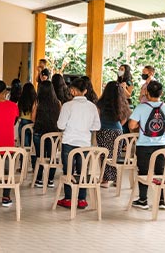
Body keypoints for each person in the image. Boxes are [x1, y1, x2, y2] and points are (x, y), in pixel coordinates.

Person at [129, 81, 165, 210]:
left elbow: (132, 125)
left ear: (147, 93)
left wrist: (142, 126)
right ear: (161, 93)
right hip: (161, 145)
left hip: (143, 145)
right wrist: (159, 130)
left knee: (143, 172)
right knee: (160, 172)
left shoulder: (141, 107)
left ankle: (143, 200)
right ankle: (161, 200)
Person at [56, 78, 101, 209]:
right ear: (86, 91)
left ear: (72, 90)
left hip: (69, 142)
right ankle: (82, 199)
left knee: (68, 170)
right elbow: (96, 127)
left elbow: (60, 125)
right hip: (84, 143)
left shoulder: (67, 106)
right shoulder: (92, 107)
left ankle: (69, 198)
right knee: (83, 171)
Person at [96, 81, 131, 187]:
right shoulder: (123, 102)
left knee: (104, 155)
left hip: (103, 130)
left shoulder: (100, 103)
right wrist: (118, 125)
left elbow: (97, 117)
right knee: (116, 155)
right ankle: (116, 179)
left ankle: (105, 179)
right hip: (118, 131)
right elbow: (124, 119)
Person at [31, 80, 60, 188]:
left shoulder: (37, 102)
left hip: (39, 133)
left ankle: (39, 179)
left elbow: (33, 119)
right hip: (53, 135)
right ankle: (50, 180)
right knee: (52, 157)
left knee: (40, 157)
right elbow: (59, 120)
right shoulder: (58, 103)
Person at [17, 82, 36, 148]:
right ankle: (32, 158)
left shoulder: (21, 99)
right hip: (33, 122)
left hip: (23, 122)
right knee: (33, 146)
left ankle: (24, 157)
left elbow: (18, 113)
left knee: (24, 145)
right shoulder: (35, 100)